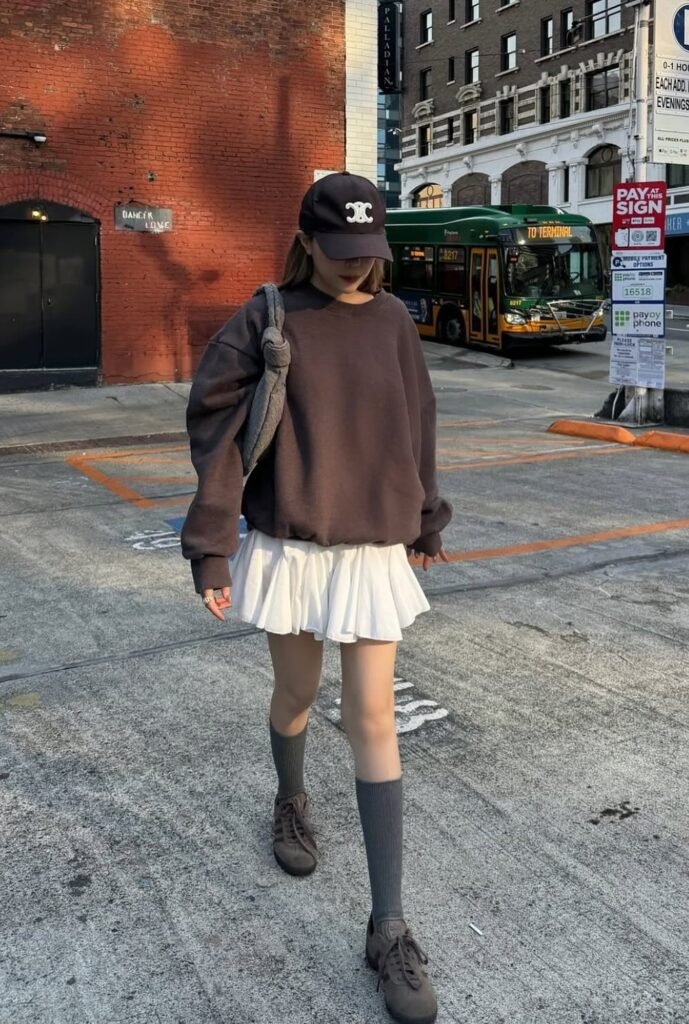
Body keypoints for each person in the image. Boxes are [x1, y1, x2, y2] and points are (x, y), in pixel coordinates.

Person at [181, 172, 452, 1024]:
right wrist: (211, 549)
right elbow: (215, 430)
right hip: (292, 546)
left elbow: (418, 421)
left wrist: (427, 518)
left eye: (366, 255)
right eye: (338, 253)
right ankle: (290, 802)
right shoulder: (268, 317)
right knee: (296, 695)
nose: (352, 269)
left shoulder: (394, 322)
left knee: (372, 718)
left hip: (372, 547)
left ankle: (388, 925)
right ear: (306, 240)